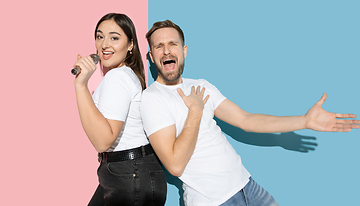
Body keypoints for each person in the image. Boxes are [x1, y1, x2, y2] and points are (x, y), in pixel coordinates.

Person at [140, 19, 360, 206]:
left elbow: (245, 120)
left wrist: (304, 120)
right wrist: (195, 111)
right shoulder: (152, 99)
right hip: (212, 201)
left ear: (184, 50)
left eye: (172, 44)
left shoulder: (201, 85)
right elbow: (175, 165)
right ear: (151, 56)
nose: (167, 50)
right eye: (159, 46)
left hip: (248, 187)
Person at [73, 13, 167, 206]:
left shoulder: (117, 78)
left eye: (114, 38)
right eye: (100, 36)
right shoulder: (127, 75)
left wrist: (81, 85)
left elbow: (103, 140)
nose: (105, 44)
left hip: (129, 173)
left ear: (130, 45)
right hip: (128, 172)